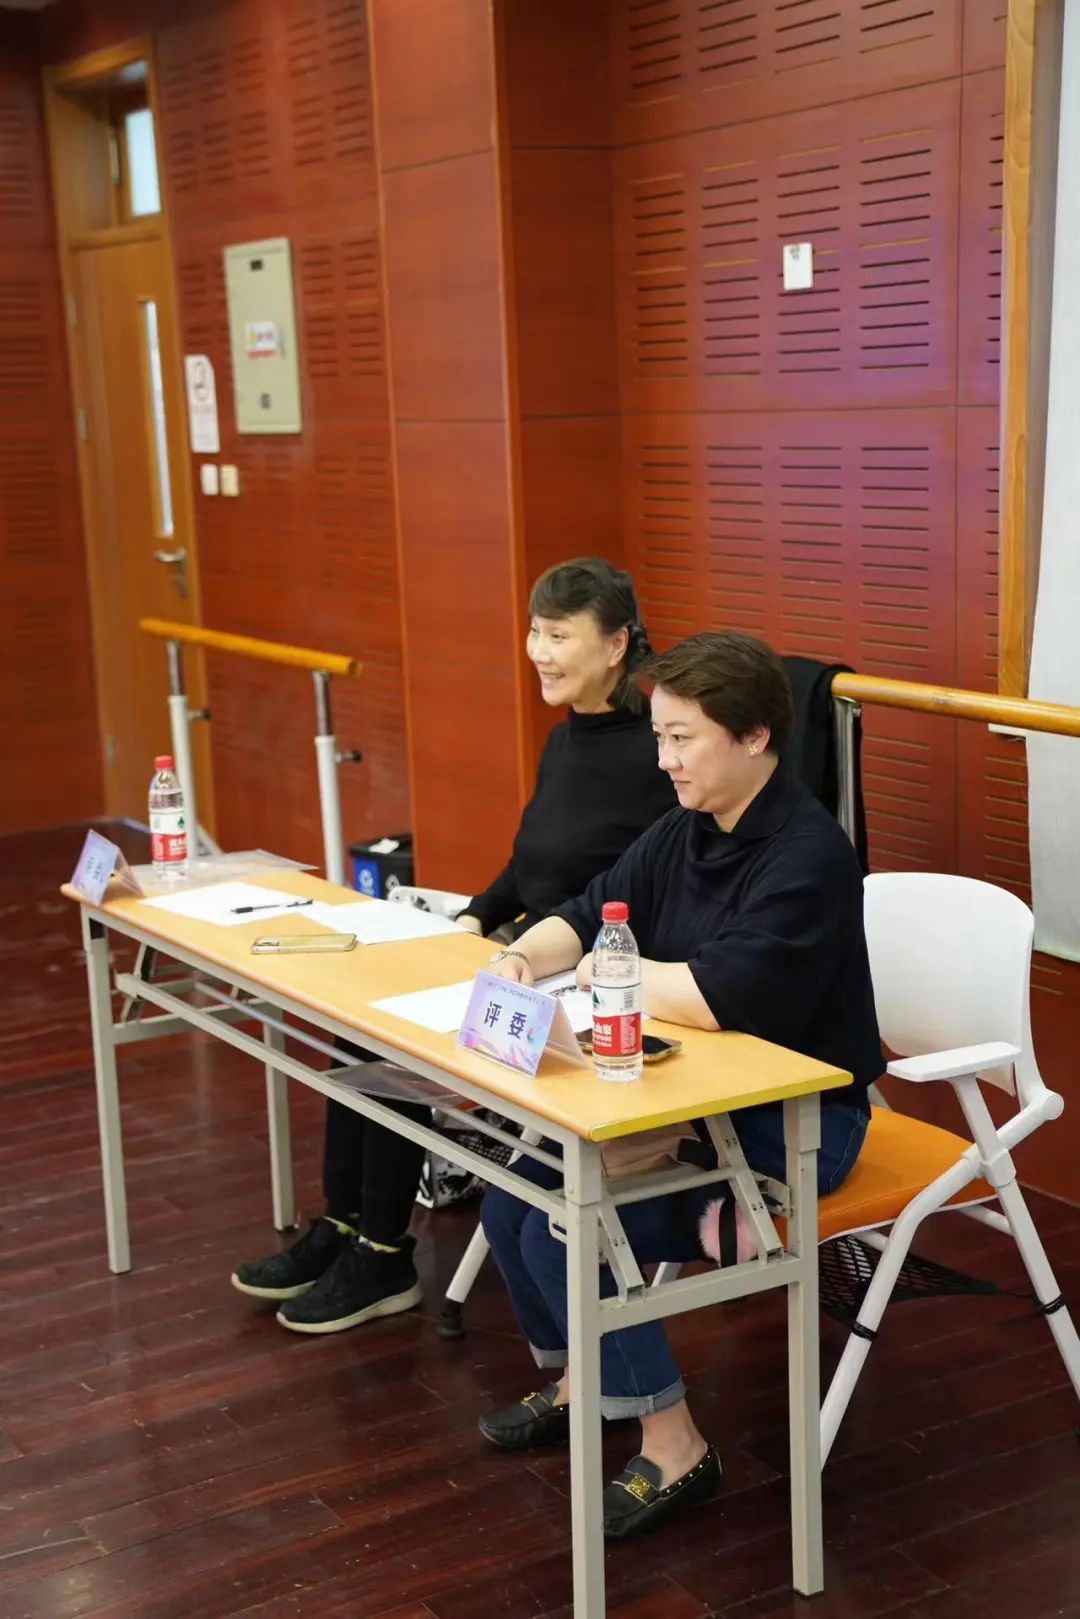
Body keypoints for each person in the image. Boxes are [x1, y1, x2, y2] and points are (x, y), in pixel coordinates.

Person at [477, 630, 882, 1540]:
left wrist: (604, 973)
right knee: (512, 1197)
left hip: (797, 1126)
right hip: (701, 1108)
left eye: (681, 738)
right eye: (659, 736)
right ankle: (587, 1380)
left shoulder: (809, 855)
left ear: (754, 737)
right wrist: (519, 959)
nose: (663, 759)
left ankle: (675, 1444)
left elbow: (716, 996)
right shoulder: (684, 827)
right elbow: (587, 914)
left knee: (573, 1225)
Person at [231, 559, 676, 1334]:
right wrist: (474, 917)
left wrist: (527, 948)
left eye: (559, 635)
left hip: (584, 977)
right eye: (535, 632)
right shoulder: (567, 739)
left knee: (396, 1039)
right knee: (359, 1019)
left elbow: (634, 887)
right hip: (524, 951)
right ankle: (344, 1224)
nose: (539, 651)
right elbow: (532, 862)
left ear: (616, 646)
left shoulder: (654, 753)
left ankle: (384, 1252)